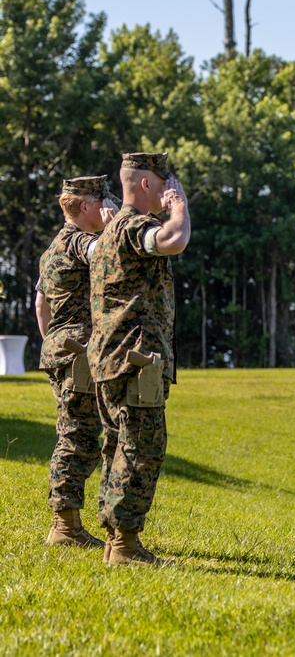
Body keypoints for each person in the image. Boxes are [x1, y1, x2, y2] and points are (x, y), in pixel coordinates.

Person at [89, 152, 190, 566]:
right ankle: (125, 547)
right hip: (137, 358)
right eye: (164, 180)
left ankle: (117, 537)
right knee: (143, 448)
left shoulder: (113, 229)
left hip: (112, 356)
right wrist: (180, 208)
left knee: (119, 444)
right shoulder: (134, 227)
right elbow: (173, 241)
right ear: (145, 184)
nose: (169, 187)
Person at [35, 175, 119, 549]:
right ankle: (65, 527)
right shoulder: (80, 243)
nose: (108, 207)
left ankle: (66, 523)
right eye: (104, 202)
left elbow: (41, 304)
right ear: (86, 207)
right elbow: (108, 255)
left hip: (61, 346)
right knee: (79, 436)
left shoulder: (52, 248)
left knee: (74, 430)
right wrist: (118, 224)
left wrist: (54, 340)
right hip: (79, 351)